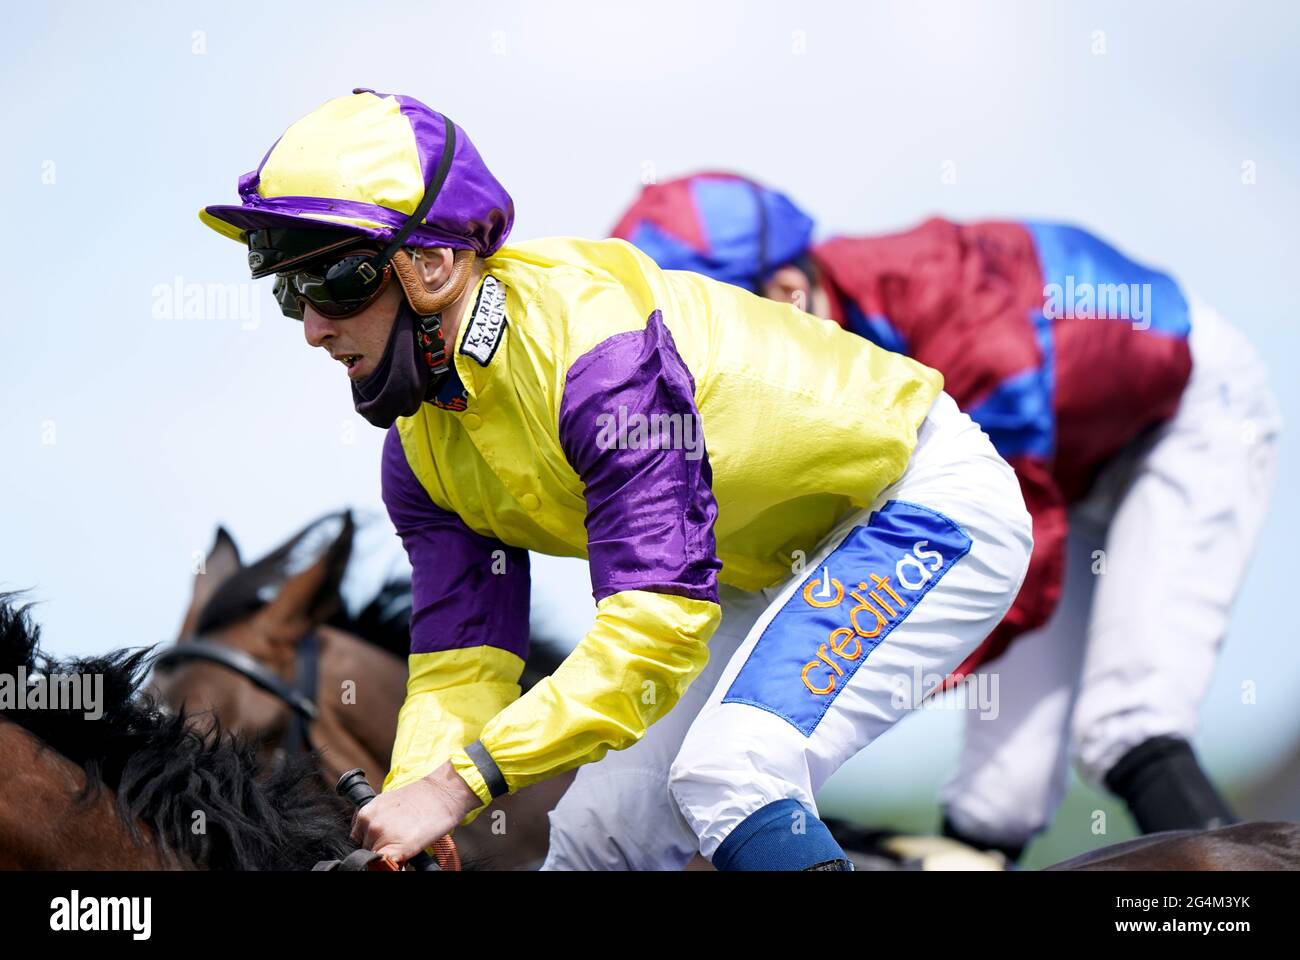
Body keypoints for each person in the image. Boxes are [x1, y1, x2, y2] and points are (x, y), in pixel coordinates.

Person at [200, 91, 1032, 870]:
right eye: (288, 292)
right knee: (597, 833)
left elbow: (655, 626)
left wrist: (459, 785)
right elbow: (463, 659)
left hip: (919, 504)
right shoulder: (421, 448)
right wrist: (421, 793)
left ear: (435, 266)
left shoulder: (602, 362)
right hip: (765, 572)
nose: (313, 328)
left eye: (333, 283)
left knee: (731, 771)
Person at [612, 171, 1281, 859]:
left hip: (1184, 419)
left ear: (787, 294)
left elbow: (1013, 550)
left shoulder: (961, 326)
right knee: (998, 800)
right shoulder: (824, 332)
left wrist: (843, 676)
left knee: (1129, 724)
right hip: (1057, 469)